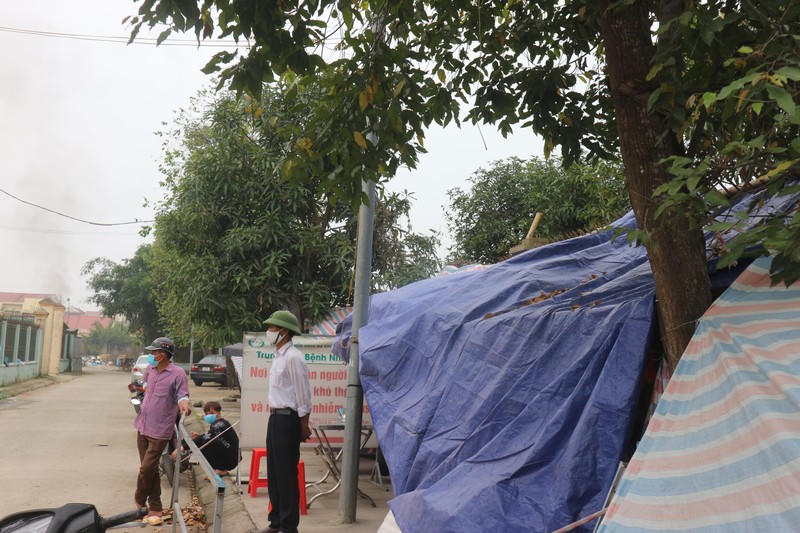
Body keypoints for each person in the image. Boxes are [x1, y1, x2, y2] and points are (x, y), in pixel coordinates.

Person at [261, 310, 312, 533]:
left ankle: (289, 527)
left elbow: (303, 395)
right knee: (274, 473)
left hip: (288, 420)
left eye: (272, 328)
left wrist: (303, 425)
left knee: (286, 474)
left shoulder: (293, 357)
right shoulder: (278, 356)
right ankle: (276, 523)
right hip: (274, 418)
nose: (269, 331)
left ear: (284, 331)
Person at [133, 337, 191, 526]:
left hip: (160, 429)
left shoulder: (178, 374)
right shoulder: (150, 369)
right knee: (151, 471)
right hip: (143, 425)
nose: (151, 355)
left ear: (163, 355)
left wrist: (184, 404)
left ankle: (139, 501)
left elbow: (182, 395)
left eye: (154, 352)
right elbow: (146, 387)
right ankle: (155, 508)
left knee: (146, 469)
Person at [189, 401, 240, 474]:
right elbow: (211, 436)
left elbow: (209, 436)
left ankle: (221, 469)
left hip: (231, 460)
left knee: (203, 443)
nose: (208, 416)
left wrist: (183, 447)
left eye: (211, 413)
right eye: (206, 414)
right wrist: (199, 436)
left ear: (218, 413)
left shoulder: (221, 425)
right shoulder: (216, 424)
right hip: (230, 458)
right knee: (203, 441)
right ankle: (219, 468)